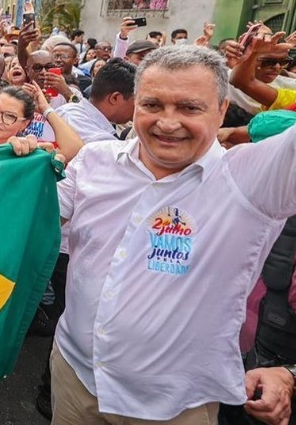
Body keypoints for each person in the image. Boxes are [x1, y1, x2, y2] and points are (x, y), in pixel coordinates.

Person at [52, 45, 296, 424]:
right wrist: (14, 162)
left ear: (222, 110)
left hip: (174, 407)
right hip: (75, 380)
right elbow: (31, 216)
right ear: (134, 105)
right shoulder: (94, 160)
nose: (167, 123)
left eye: (189, 108)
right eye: (152, 105)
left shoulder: (251, 180)